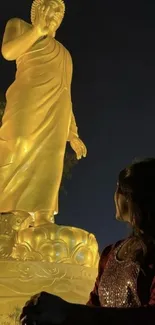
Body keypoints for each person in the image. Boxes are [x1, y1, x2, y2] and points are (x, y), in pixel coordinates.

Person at [20, 158, 155, 324]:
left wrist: (68, 311)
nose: (115, 196)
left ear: (132, 196)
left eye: (118, 189)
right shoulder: (110, 253)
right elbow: (93, 306)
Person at [0, 0, 86, 227]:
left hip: (55, 115)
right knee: (17, 145)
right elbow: (8, 52)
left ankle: (42, 215)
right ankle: (10, 210)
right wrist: (38, 30)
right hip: (26, 104)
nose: (55, 13)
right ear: (37, 10)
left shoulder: (65, 55)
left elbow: (65, 93)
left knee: (50, 160)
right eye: (50, 7)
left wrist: (72, 133)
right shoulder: (19, 26)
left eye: (60, 11)